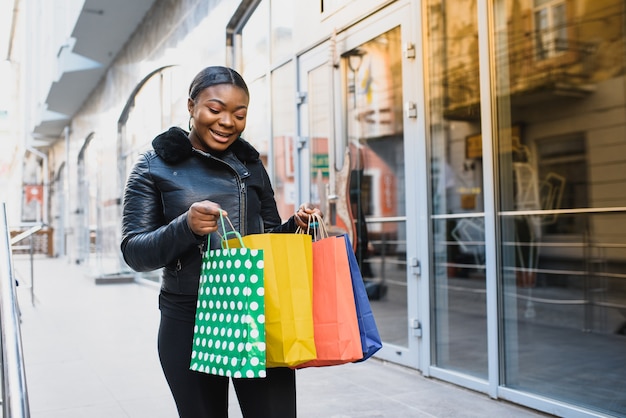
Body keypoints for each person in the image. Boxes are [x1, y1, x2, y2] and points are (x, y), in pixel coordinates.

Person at [120, 65, 322, 418]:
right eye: (215, 109)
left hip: (257, 310)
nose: (227, 121)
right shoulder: (153, 166)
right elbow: (135, 251)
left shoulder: (250, 165)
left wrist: (296, 226)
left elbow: (266, 239)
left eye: (239, 114)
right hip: (189, 316)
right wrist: (186, 226)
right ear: (191, 106)